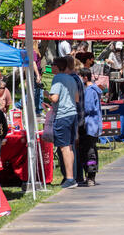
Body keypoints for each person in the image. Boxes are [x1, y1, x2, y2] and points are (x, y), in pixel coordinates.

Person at [45, 57, 79, 189]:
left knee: (64, 147)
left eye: (52, 65)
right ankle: (72, 177)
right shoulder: (71, 78)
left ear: (57, 67)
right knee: (69, 147)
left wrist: (47, 94)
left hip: (63, 116)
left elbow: (54, 98)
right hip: (73, 114)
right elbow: (76, 98)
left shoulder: (57, 78)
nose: (51, 67)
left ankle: (69, 178)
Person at [79, 68, 102, 187]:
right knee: (90, 149)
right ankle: (89, 174)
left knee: (89, 151)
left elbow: (88, 108)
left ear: (85, 78)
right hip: (93, 124)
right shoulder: (94, 90)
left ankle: (91, 174)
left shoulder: (89, 91)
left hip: (89, 125)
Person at [66, 56, 86, 184]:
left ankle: (76, 176)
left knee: (72, 148)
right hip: (79, 117)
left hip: (75, 118)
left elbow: (75, 101)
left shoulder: (72, 80)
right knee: (76, 149)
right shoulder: (77, 79)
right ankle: (78, 175)